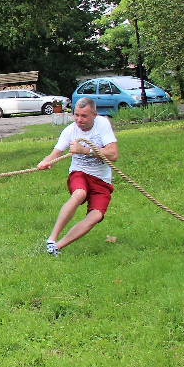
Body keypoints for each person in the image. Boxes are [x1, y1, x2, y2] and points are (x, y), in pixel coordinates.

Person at [36, 97, 119, 256]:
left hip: (102, 179)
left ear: (94, 115)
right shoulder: (70, 131)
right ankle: (52, 239)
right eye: (76, 115)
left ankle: (57, 247)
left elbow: (113, 154)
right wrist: (46, 162)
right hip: (79, 173)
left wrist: (86, 150)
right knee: (79, 193)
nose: (79, 120)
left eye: (84, 116)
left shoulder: (102, 124)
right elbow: (55, 154)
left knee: (96, 215)